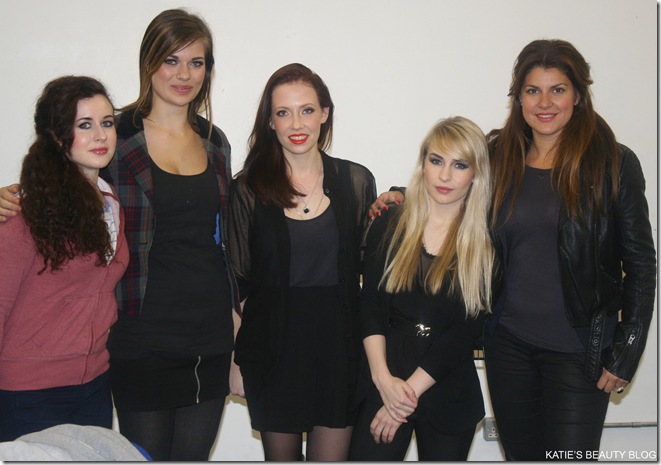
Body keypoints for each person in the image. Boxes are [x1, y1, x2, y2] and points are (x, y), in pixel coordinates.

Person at [369, 39, 657, 460]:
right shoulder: (499, 155)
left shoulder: (613, 162)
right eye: (532, 90)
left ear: (578, 95)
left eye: (558, 90)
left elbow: (641, 263)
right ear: (518, 97)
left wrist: (628, 348)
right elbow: (453, 178)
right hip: (508, 347)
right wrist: (400, 194)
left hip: (579, 352)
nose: (545, 102)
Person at [0, 9, 240, 461]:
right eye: (171, 60)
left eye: (196, 62)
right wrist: (11, 196)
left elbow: (222, 238)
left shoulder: (216, 141)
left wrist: (236, 316)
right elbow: (58, 180)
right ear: (149, 62)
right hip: (138, 335)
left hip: (208, 334)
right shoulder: (115, 132)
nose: (184, 74)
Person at [228, 63, 376, 461]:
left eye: (307, 110)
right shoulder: (247, 189)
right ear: (270, 121)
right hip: (272, 353)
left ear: (325, 113)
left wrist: (397, 202)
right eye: (283, 112)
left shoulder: (356, 181)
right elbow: (237, 285)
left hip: (339, 353)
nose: (296, 123)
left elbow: (373, 269)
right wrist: (236, 360)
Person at [347, 116, 494, 461]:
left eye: (460, 165)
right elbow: (369, 304)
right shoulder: (389, 222)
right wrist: (384, 381)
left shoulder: (488, 242)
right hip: (384, 377)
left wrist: (403, 398)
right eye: (436, 161)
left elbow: (464, 332)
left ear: (476, 174)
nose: (445, 176)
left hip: (448, 390)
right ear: (423, 163)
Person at [0, 76, 128, 441]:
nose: (101, 135)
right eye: (84, 125)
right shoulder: (24, 211)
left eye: (107, 123)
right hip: (28, 393)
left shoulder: (112, 203)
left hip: (94, 386)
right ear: (57, 137)